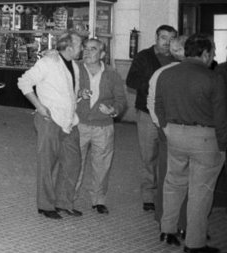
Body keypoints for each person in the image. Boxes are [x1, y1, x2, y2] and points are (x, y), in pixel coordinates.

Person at [155, 33, 226, 253]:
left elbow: (158, 106)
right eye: (212, 53)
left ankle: (167, 230)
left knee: (173, 184)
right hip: (205, 139)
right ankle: (195, 242)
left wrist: (167, 129)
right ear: (205, 53)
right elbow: (221, 116)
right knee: (200, 191)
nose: (212, 57)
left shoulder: (167, 74)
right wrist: (223, 145)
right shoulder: (212, 78)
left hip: (175, 134)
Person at [17, 30, 83, 219]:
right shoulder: (48, 62)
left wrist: (79, 96)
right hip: (49, 120)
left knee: (73, 163)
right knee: (47, 163)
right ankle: (45, 206)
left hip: (69, 120)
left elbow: (67, 92)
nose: (82, 49)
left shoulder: (75, 66)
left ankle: (64, 202)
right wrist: (39, 106)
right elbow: (24, 82)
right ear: (69, 47)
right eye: (79, 45)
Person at [126, 24, 177, 212]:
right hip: (147, 113)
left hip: (171, 116)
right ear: (156, 38)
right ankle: (148, 195)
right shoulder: (144, 56)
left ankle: (166, 194)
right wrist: (153, 86)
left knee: (170, 155)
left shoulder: (178, 58)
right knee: (149, 156)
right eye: (164, 38)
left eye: (171, 39)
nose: (167, 42)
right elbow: (131, 80)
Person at [74, 37, 127, 215]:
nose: (88, 52)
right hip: (79, 124)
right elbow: (64, 93)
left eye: (93, 49)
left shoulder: (112, 74)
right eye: (86, 48)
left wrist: (113, 110)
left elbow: (121, 100)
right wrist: (79, 94)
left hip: (103, 127)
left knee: (102, 164)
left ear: (102, 54)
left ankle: (98, 200)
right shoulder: (75, 69)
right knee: (74, 162)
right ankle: (70, 197)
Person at [147, 35, 187, 228]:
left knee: (170, 176)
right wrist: (163, 127)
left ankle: (172, 220)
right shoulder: (163, 73)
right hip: (171, 131)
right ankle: (172, 220)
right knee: (174, 176)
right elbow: (153, 103)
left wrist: (162, 127)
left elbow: (153, 105)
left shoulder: (161, 72)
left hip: (167, 130)